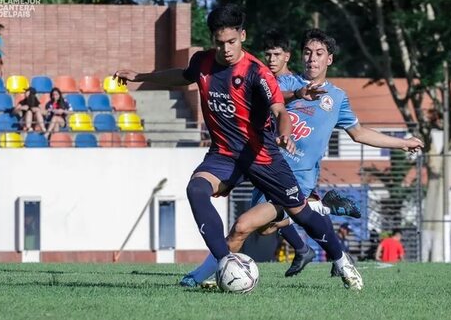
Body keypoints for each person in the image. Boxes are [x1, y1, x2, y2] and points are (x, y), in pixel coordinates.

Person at [114, 4, 364, 290]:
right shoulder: (203, 62)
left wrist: (285, 135)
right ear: (212, 40)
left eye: (232, 42)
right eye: (220, 43)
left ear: (242, 36)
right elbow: (183, 76)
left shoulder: (257, 73)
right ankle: (225, 263)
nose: (226, 49)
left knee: (301, 214)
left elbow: (281, 111)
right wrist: (142, 76)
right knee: (196, 189)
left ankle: (341, 259)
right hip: (224, 154)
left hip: (262, 155)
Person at [179, 28, 424, 287]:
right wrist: (293, 98)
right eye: (307, 53)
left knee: (242, 226)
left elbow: (360, 133)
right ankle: (319, 209)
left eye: (319, 53)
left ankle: (199, 277)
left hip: (299, 176)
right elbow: (266, 98)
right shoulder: (284, 84)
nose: (312, 59)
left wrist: (402, 143)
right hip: (268, 170)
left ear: (329, 59)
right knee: (266, 228)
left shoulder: (337, 98)